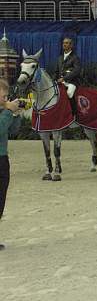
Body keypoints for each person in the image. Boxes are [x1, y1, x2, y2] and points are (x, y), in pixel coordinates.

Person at [0, 79, 22, 251]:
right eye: (4, 96)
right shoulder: (3, 112)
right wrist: (8, 111)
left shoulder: (3, 111)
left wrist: (16, 115)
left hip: (2, 159)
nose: (6, 98)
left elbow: (12, 131)